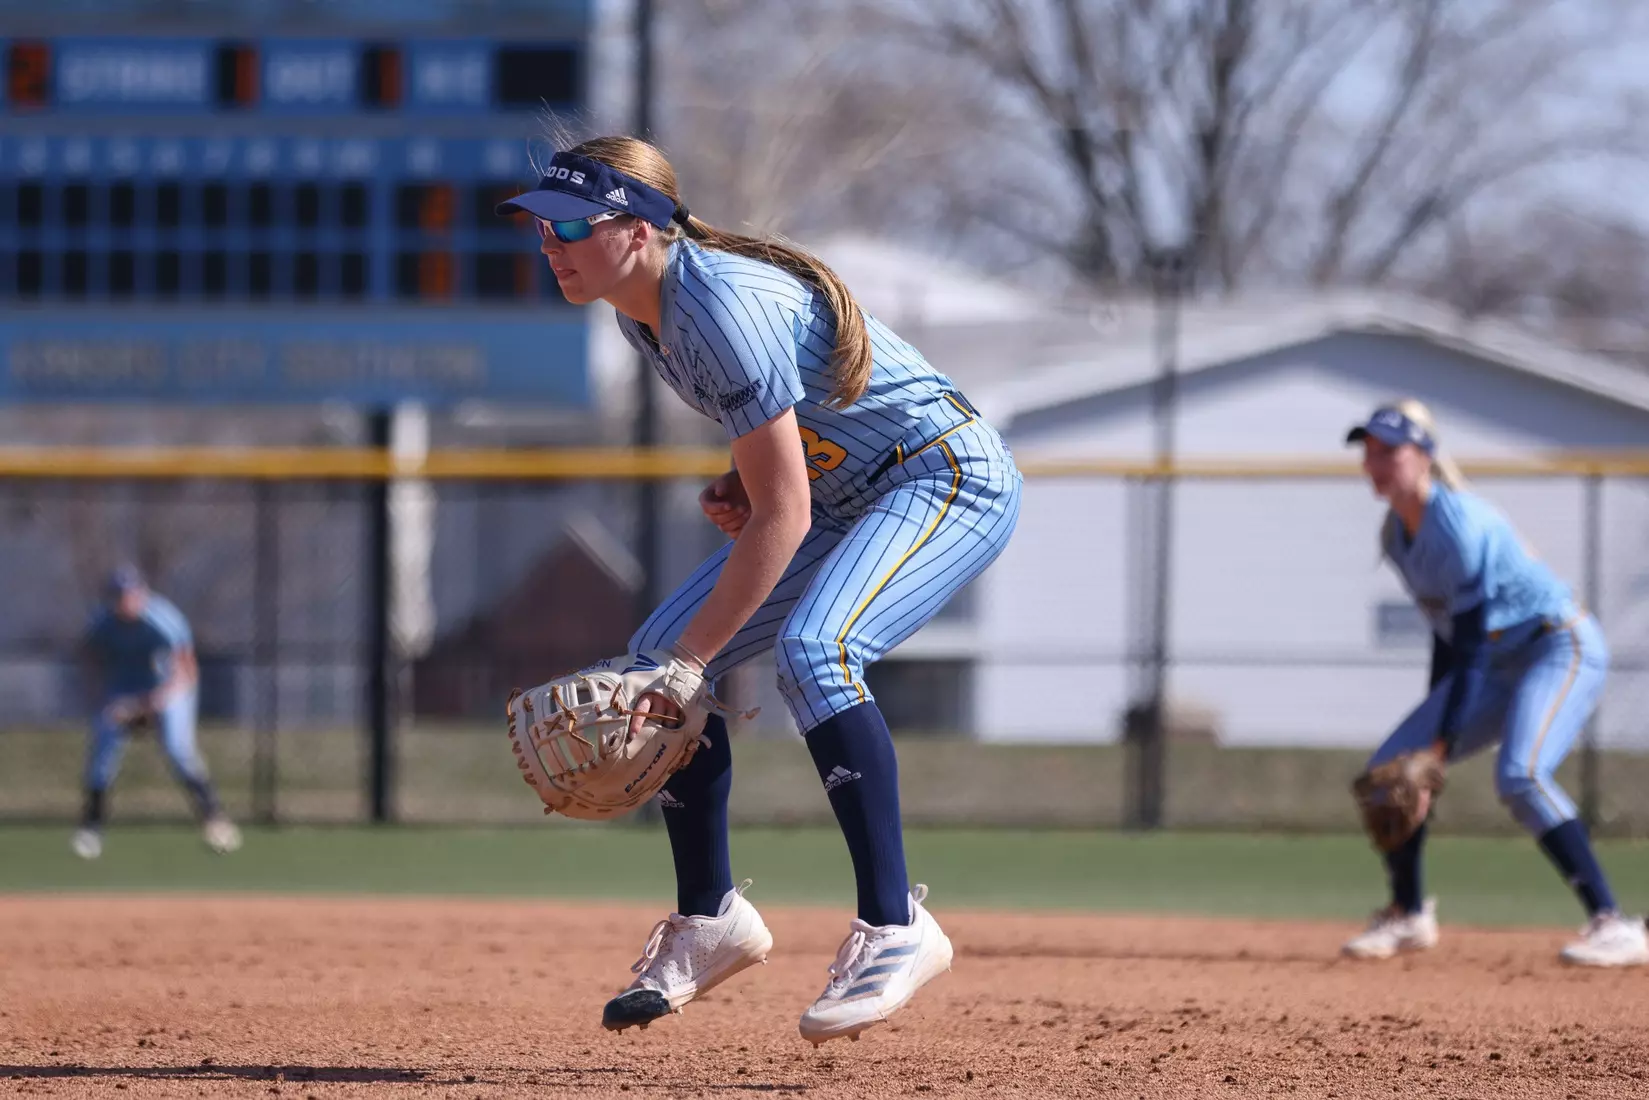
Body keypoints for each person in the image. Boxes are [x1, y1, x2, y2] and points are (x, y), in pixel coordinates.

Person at [497, 136, 1022, 1044]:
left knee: (812, 651)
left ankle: (896, 924)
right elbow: (790, 449)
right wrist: (742, 487)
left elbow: (785, 514)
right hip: (850, 488)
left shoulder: (717, 303)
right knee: (657, 665)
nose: (551, 243)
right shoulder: (642, 311)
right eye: (541, 226)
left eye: (571, 223)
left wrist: (697, 657)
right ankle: (710, 921)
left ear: (638, 228)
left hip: (942, 478)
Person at [1339, 400, 1645, 967]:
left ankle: (1614, 922)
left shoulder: (1459, 524)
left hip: (1558, 646)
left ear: (1425, 456)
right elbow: (1449, 637)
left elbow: (1473, 644)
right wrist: (1428, 743)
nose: (1376, 462)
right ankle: (1409, 915)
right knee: (1389, 773)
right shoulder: (1396, 535)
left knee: (1521, 774)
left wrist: (1438, 752)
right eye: (1369, 451)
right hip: (1496, 663)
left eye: (1390, 450)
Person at [74, 565, 242, 860]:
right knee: (103, 747)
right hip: (123, 688)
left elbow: (187, 672)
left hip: (167, 688)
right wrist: (102, 700)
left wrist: (155, 703)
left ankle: (215, 820)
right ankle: (91, 828)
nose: (126, 601)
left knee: (178, 749)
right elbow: (89, 661)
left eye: (131, 594)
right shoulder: (101, 623)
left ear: (142, 594)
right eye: (120, 596)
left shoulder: (162, 620)